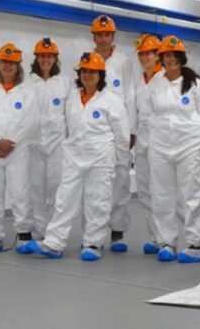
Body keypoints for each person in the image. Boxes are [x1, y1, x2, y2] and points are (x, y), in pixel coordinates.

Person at [27, 51, 130, 261]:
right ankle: (54, 243)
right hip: (74, 155)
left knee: (97, 200)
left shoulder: (111, 100)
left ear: (101, 75)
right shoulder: (73, 97)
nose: (87, 76)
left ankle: (93, 243)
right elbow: (66, 126)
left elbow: (122, 135)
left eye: (92, 72)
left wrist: (120, 161)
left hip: (101, 157)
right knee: (64, 199)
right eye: (84, 71)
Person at [148, 36, 200, 263]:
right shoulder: (155, 83)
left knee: (192, 195)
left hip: (189, 147)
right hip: (161, 147)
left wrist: (198, 139)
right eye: (166, 55)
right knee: (162, 196)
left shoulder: (196, 85)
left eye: (174, 55)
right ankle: (166, 243)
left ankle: (196, 245)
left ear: (180, 58)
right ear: (161, 59)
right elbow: (148, 111)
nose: (170, 59)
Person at [0, 43, 39, 253]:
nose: (8, 66)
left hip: (18, 150)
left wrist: (9, 144)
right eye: (4, 62)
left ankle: (23, 234)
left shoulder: (27, 91)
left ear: (18, 65)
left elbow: (30, 121)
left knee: (20, 191)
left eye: (12, 63)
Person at [91, 15, 136, 252]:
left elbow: (130, 97)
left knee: (120, 180)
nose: (103, 38)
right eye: (99, 34)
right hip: (95, 131)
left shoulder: (123, 63)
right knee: (95, 184)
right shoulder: (87, 61)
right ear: (94, 37)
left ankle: (117, 232)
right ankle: (93, 233)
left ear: (112, 36)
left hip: (119, 131)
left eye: (106, 34)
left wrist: (131, 131)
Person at [28, 38, 70, 240]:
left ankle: (54, 234)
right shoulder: (27, 82)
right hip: (33, 143)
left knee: (56, 190)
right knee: (35, 189)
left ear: (55, 59)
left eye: (49, 56)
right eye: (42, 56)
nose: (46, 60)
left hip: (57, 144)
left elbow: (70, 113)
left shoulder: (64, 82)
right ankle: (37, 233)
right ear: (36, 58)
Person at [133, 34, 165, 255]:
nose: (145, 57)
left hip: (160, 140)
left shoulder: (164, 79)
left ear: (157, 56)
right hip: (142, 141)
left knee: (162, 191)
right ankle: (155, 237)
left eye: (149, 53)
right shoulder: (140, 79)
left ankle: (166, 239)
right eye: (142, 54)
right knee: (145, 191)